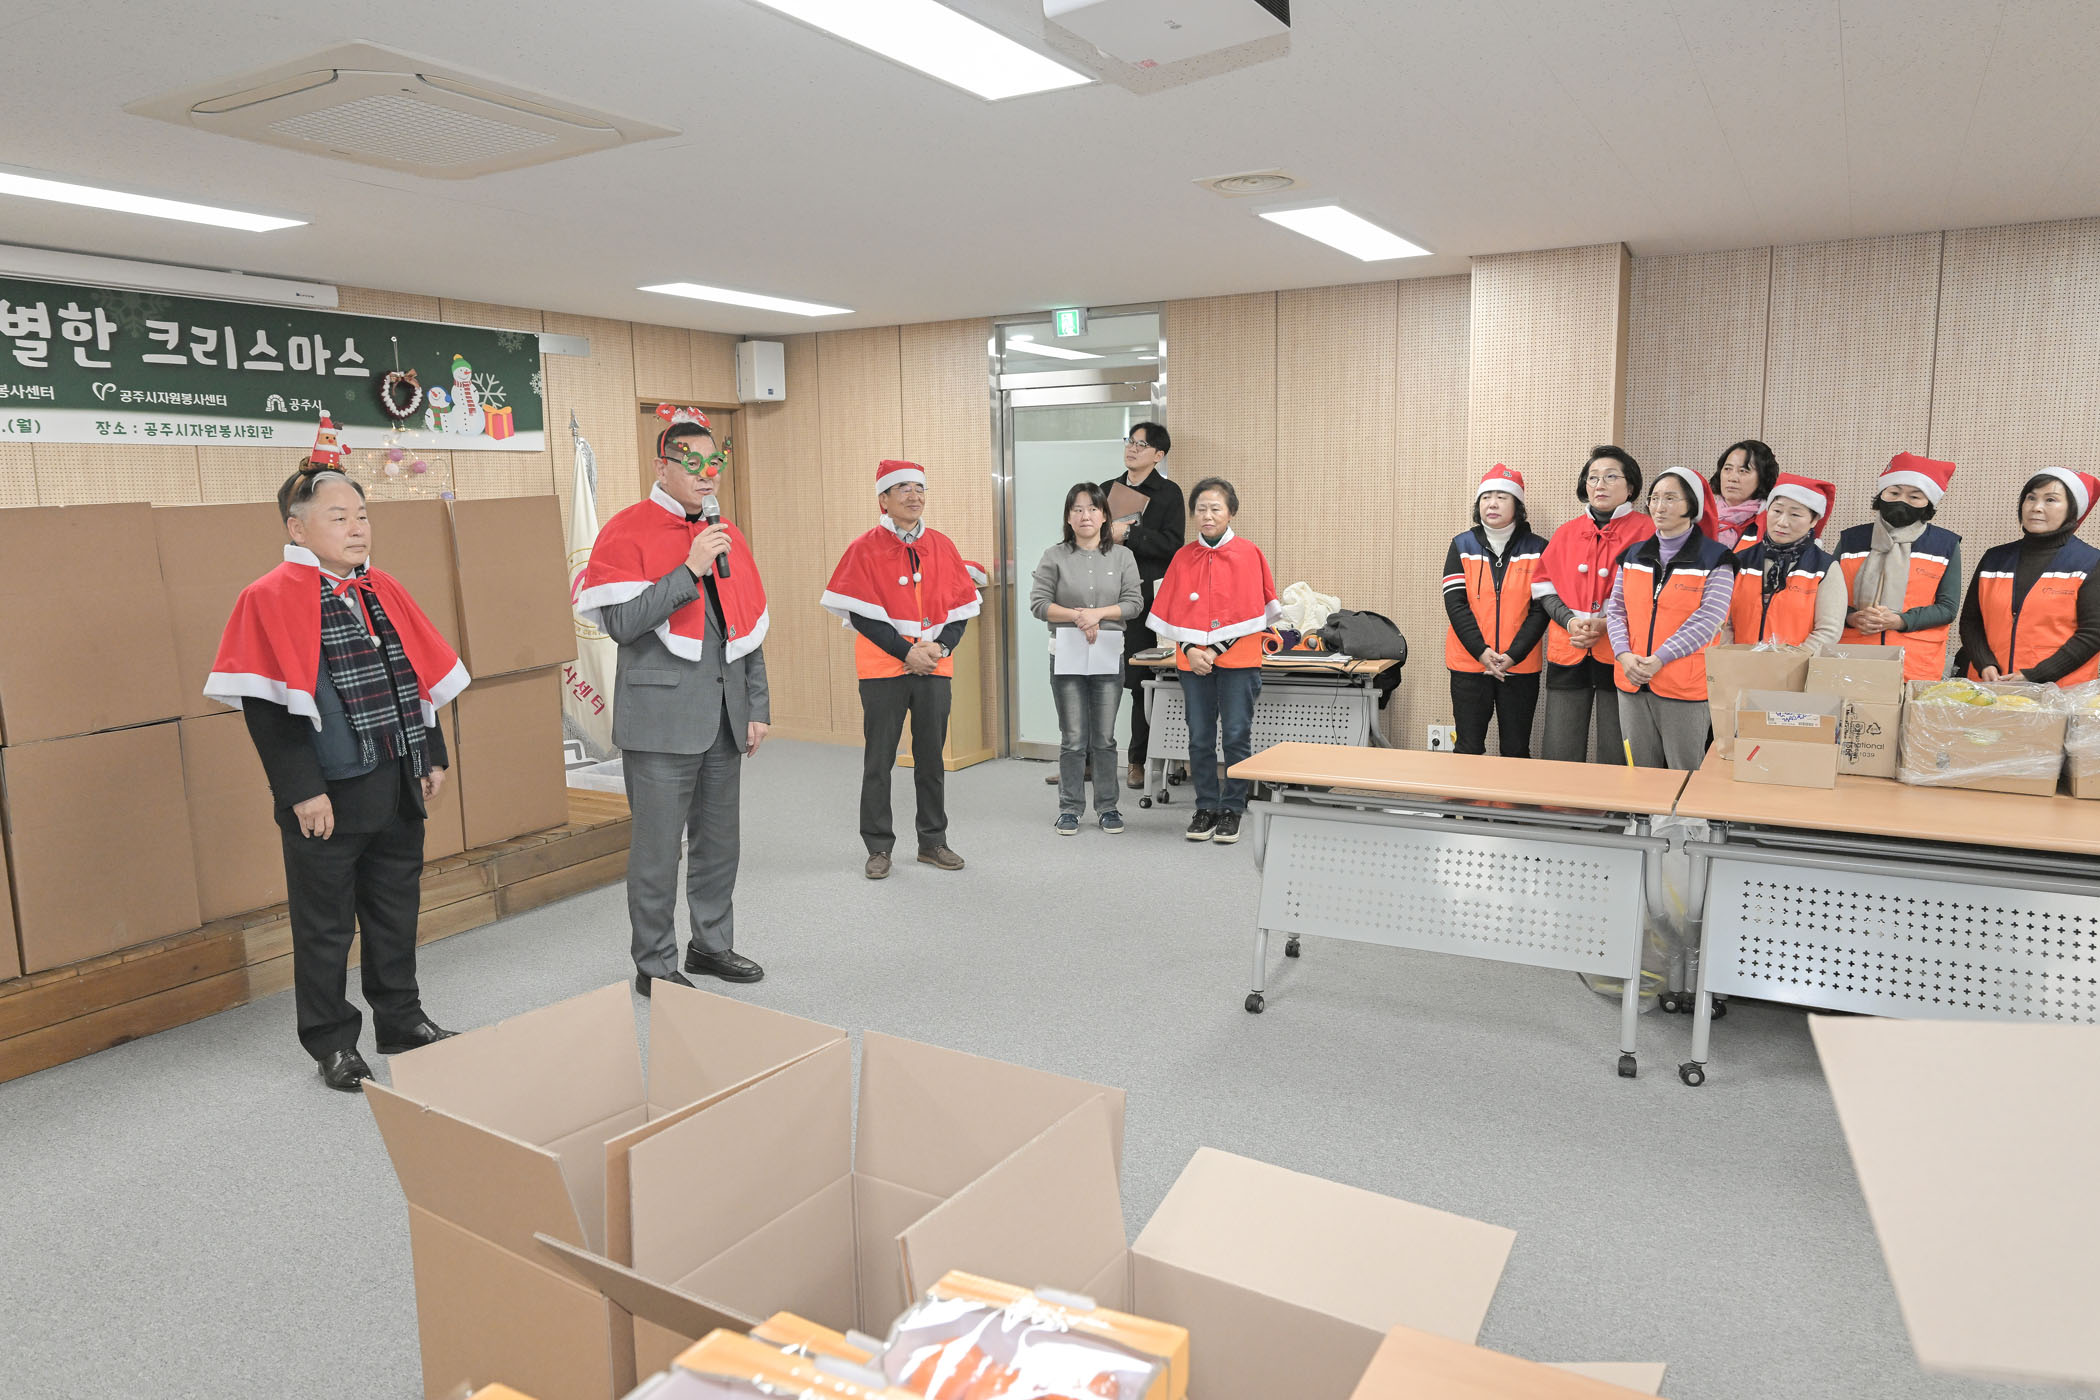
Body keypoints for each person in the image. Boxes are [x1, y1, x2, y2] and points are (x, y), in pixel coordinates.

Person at [205, 459, 468, 1091]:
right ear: (297, 529)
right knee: (324, 926)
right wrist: (302, 791)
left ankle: (401, 1019)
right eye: (339, 517)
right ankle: (332, 1042)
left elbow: (415, 677)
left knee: (394, 912)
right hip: (327, 791)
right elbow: (269, 710)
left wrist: (429, 754)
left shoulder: (382, 588)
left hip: (396, 779)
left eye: (363, 516)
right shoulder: (267, 597)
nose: (357, 529)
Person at [575, 405, 769, 998]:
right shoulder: (626, 530)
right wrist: (689, 569)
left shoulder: (725, 531)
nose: (707, 474)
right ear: (662, 467)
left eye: (714, 462)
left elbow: (745, 629)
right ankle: (654, 963)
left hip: (725, 717)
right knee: (658, 852)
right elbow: (622, 624)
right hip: (660, 723)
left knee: (720, 846)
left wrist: (756, 705)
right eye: (692, 464)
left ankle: (710, 944)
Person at [822, 460, 982, 879]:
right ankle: (878, 847)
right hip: (883, 667)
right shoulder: (864, 548)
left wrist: (940, 647)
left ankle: (933, 841)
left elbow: (961, 610)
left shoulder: (942, 546)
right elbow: (861, 615)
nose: (914, 495)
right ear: (883, 498)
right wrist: (905, 652)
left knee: (931, 759)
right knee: (879, 760)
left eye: (919, 488)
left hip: (934, 666)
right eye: (904, 488)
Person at [1147, 477, 1279, 845]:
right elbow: (1172, 610)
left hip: (1239, 660)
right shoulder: (1182, 557)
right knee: (1200, 737)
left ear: (1230, 512)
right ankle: (1205, 805)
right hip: (1193, 662)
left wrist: (1214, 650)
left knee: (1236, 734)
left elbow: (1253, 613)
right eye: (1201, 509)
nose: (1207, 515)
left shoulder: (1249, 554)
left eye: (1215, 508)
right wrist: (1191, 649)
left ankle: (1232, 807)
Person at [1607, 465, 1739, 770]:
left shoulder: (1716, 558)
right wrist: (1624, 655)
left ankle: (1686, 810)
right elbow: (1616, 611)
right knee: (1638, 770)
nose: (1659, 506)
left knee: (1685, 771)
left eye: (1670, 498)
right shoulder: (1633, 555)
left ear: (1692, 504)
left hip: (1684, 685)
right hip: (1631, 680)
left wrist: (1660, 659)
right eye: (1654, 498)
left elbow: (1709, 620)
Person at [1030, 482, 1143, 833]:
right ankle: (1070, 807)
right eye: (1077, 509)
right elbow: (1039, 604)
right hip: (1067, 655)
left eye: (1093, 509)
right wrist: (1078, 616)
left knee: (1104, 738)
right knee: (1073, 737)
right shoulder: (1054, 556)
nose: (1085, 516)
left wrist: (1097, 615)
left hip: (1108, 654)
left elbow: (1134, 604)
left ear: (1105, 515)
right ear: (1068, 517)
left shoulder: (1122, 556)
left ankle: (1108, 806)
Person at [1537, 447, 1656, 764]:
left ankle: (1615, 801)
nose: (1600, 484)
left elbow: (1657, 596)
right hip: (1569, 647)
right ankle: (1559, 799)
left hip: (1622, 651)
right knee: (1559, 749)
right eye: (1593, 478)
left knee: (1618, 749)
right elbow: (1544, 587)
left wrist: (1607, 624)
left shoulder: (1649, 532)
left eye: (1610, 476)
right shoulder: (1566, 532)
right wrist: (1570, 621)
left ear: (1630, 487)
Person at [1957, 467, 2100, 685]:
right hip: (1991, 688)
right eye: (2031, 498)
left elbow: (2093, 633)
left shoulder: (2090, 562)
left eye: (2050, 499)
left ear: (2072, 510)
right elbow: (1970, 621)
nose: (2036, 507)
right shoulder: (1994, 558)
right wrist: (1984, 663)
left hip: (2059, 692)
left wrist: (2035, 676)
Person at [1442, 464, 1548, 757]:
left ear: (1518, 506)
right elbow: (1455, 604)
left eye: (1502, 497)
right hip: (1469, 663)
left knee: (1516, 749)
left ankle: (1512, 795)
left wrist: (1513, 655)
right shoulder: (1461, 545)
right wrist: (1481, 651)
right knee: (1468, 747)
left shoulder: (1538, 548)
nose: (1492, 503)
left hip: (1519, 666)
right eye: (1486, 497)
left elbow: (1540, 610)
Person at [1105, 422, 1185, 792]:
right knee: (1096, 680)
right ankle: (1089, 759)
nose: (1132, 448)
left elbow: (1173, 546)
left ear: (1158, 455)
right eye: (1130, 441)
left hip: (1145, 600)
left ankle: (1137, 761)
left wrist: (1130, 533)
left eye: (1142, 444)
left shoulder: (1169, 494)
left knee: (1141, 683)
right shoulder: (1106, 489)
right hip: (1104, 597)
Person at [1836, 452, 1964, 681]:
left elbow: (1947, 608)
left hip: (1915, 666)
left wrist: (1900, 620)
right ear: (1881, 495)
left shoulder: (1945, 544)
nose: (1902, 501)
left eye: (1914, 496)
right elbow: (1827, 597)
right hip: (1851, 659)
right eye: (1894, 493)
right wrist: (1852, 617)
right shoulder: (1851, 539)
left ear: (1928, 503)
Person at [1719, 473, 1845, 649]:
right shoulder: (1740, 561)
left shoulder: (1824, 568)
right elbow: (1723, 621)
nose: (1782, 522)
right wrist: (1731, 655)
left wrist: (1790, 660)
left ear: (1814, 520)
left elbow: (1828, 631)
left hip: (1798, 664)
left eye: (1795, 514)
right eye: (1777, 511)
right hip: (1738, 661)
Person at [1702, 439, 1778, 550]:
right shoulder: (1701, 516)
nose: (1732, 478)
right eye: (1727, 469)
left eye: (1743, 471)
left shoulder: (1771, 523)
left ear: (1763, 477)